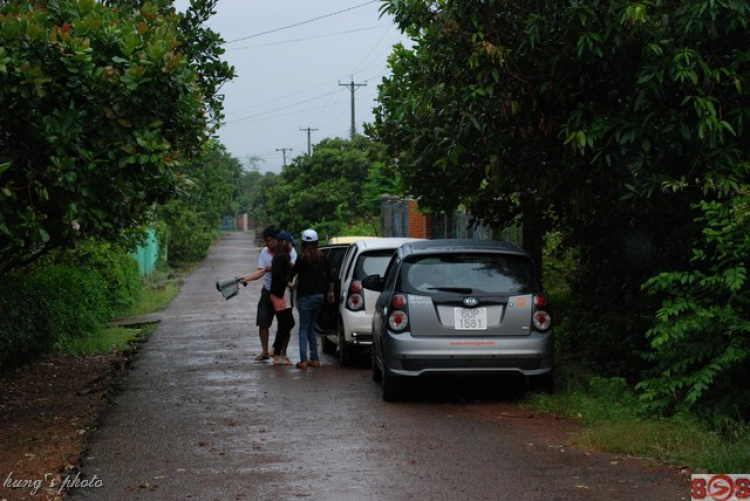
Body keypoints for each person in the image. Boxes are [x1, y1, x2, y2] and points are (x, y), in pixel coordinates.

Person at [239, 225, 296, 362]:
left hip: (282, 292)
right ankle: (266, 351)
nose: (267, 243)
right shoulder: (265, 252)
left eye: (269, 240)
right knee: (263, 322)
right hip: (268, 290)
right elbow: (261, 271)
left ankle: (281, 352)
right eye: (265, 241)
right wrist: (246, 278)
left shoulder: (289, 251)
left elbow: (292, 268)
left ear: (278, 240)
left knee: (285, 323)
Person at [289, 229, 334, 369]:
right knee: (310, 327)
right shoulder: (322, 257)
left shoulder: (301, 258)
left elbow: (292, 273)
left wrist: (292, 282)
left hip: (306, 298)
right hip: (320, 297)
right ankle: (314, 358)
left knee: (303, 328)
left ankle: (303, 360)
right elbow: (330, 276)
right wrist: (331, 293)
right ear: (316, 242)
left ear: (303, 243)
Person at [268, 231, 296, 365]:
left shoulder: (281, 256)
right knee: (286, 323)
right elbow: (278, 275)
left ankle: (276, 353)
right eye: (290, 243)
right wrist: (288, 283)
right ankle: (275, 351)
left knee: (287, 323)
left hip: (280, 294)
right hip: (280, 294)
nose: (292, 246)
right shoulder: (282, 257)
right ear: (285, 243)